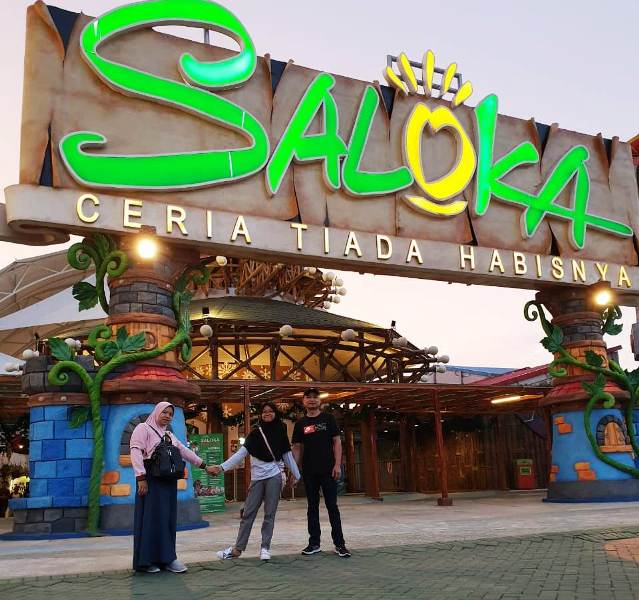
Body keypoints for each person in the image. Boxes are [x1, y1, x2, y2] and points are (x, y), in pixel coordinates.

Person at [130, 401, 217, 574]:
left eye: (171, 414)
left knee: (167, 519)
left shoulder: (168, 435)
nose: (168, 416)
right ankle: (146, 561)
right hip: (151, 480)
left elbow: (184, 451)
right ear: (157, 412)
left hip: (168, 482)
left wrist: (205, 466)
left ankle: (167, 559)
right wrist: (141, 478)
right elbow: (135, 451)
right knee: (151, 519)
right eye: (165, 412)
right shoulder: (143, 428)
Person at [213, 402, 300, 561]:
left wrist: (297, 475)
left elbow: (287, 455)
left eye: (271, 411)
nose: (267, 414)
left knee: (269, 513)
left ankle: (265, 548)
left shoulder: (280, 431)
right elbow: (240, 454)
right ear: (260, 414)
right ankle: (238, 549)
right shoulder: (255, 434)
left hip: (274, 476)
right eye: (264, 411)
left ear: (275, 413)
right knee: (248, 513)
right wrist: (222, 468)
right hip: (257, 478)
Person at [292, 388, 351, 558]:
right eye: (308, 397)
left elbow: (337, 442)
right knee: (312, 507)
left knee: (332, 506)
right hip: (309, 471)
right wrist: (294, 471)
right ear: (303, 401)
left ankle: (340, 545)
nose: (312, 400)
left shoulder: (328, 418)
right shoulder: (300, 423)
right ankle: (314, 543)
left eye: (315, 397)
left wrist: (337, 465)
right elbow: (296, 447)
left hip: (328, 470)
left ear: (320, 400)